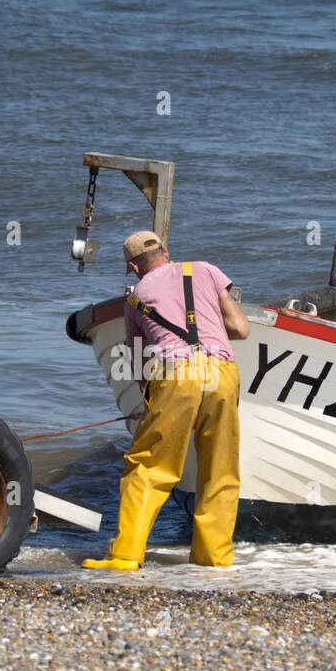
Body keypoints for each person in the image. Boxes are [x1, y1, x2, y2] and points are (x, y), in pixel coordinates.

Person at [83, 230, 249, 570]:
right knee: (220, 471)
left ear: (132, 267)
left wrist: (153, 404)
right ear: (166, 251)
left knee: (150, 466)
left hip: (176, 374)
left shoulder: (135, 297)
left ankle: (125, 555)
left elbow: (140, 364)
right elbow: (240, 328)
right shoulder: (205, 270)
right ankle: (213, 559)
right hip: (223, 371)